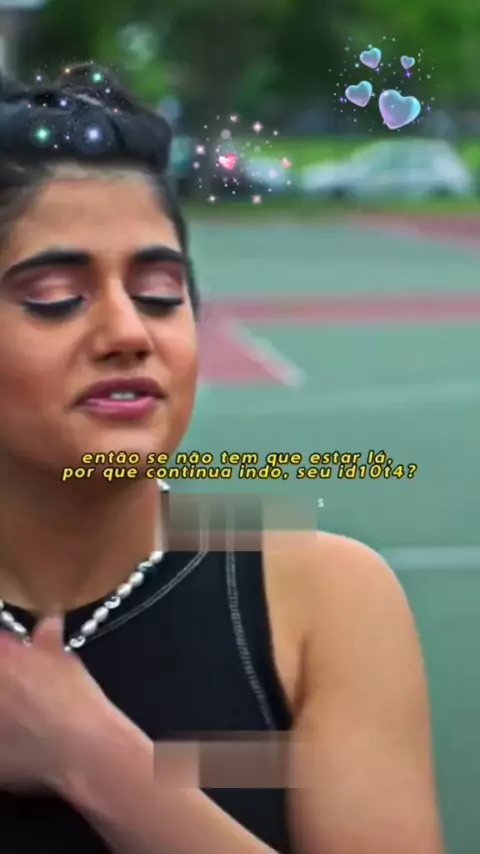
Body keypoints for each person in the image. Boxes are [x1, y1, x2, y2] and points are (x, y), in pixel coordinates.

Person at [0, 62, 444, 854]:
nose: (128, 332)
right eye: (56, 296)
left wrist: (98, 765)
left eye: (160, 292)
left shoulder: (320, 603)